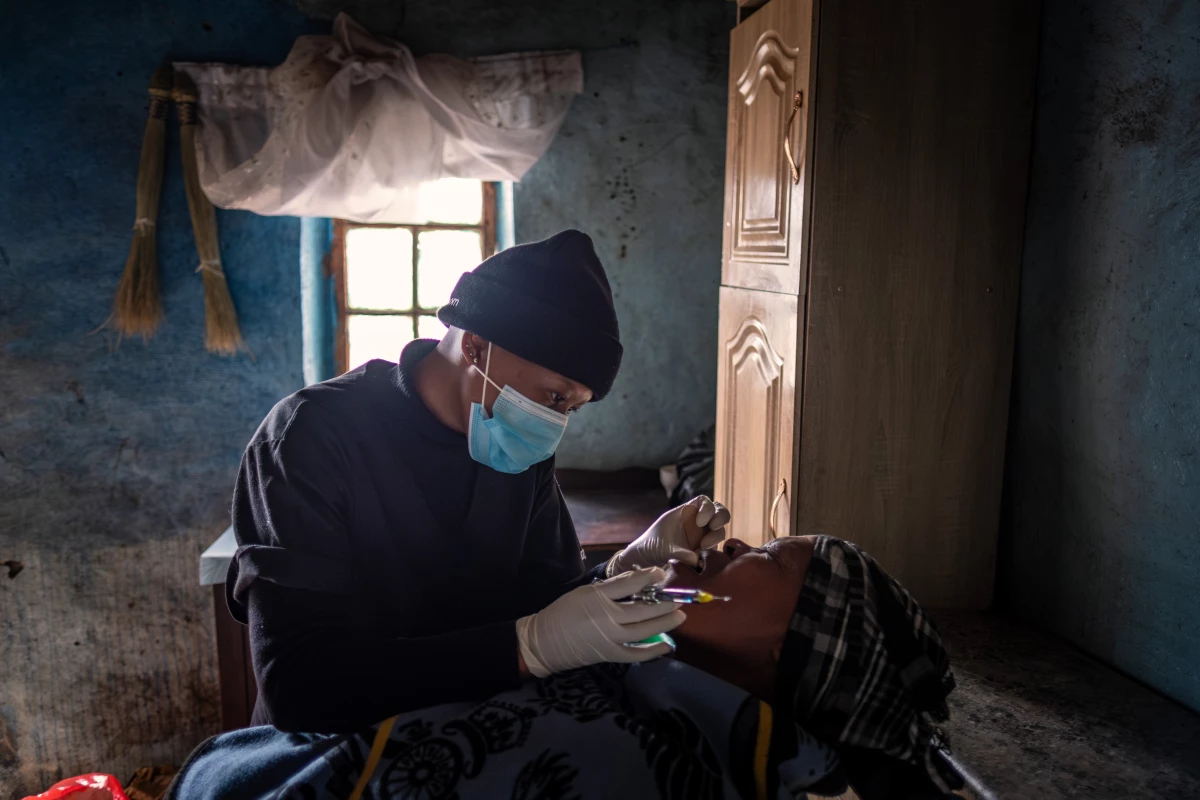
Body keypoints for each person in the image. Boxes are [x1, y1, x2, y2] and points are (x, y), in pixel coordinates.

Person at [228, 229, 730, 733]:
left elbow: (552, 611)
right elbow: (301, 685)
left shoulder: (512, 446)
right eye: (555, 398)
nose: (554, 425)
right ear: (474, 346)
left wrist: (626, 567)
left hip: (462, 744)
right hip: (327, 759)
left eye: (572, 409)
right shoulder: (310, 439)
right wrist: (523, 648)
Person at [172, 536, 960, 800]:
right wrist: (614, 571)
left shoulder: (643, 764)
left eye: (768, 559)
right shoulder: (655, 676)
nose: (727, 546)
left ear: (795, 642)